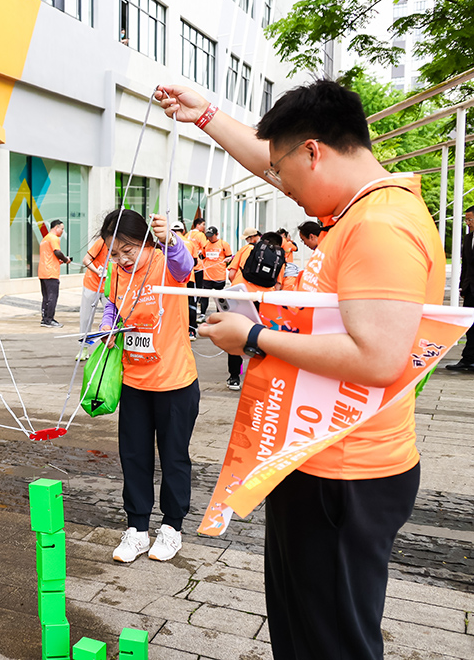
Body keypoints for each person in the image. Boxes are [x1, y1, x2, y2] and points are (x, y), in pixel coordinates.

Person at [157, 79, 444, 660]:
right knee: (302, 626)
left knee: (331, 640)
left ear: (314, 151)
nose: (281, 187)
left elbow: (378, 357)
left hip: (345, 473)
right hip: (318, 453)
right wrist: (207, 116)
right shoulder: (361, 209)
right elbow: (272, 159)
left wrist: (255, 337)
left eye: (285, 175)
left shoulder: (378, 228)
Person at [97, 209, 199, 564]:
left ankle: (172, 528)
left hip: (175, 381)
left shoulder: (166, 263)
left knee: (174, 458)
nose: (121, 259)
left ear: (145, 241)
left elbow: (185, 264)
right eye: (113, 252)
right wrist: (110, 327)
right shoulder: (115, 272)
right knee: (134, 456)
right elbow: (113, 305)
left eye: (128, 250)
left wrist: (170, 239)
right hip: (135, 381)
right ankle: (137, 529)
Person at [225, 232, 286, 391]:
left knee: (234, 335)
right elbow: (278, 286)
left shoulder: (246, 249)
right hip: (263, 299)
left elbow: (231, 273)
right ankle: (259, 377)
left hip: (241, 294)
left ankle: (234, 377)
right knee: (261, 336)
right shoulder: (279, 259)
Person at [445, 206, 474, 371]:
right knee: (470, 326)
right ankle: (468, 359)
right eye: (466, 219)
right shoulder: (469, 238)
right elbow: (466, 266)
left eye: (470, 219)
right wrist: (462, 286)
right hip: (470, 289)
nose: (467, 223)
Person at [78, 234, 110, 359]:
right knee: (86, 318)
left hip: (108, 287)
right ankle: (83, 348)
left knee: (111, 318)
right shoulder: (102, 242)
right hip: (92, 284)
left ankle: (109, 348)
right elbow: (86, 260)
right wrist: (98, 271)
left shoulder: (122, 244)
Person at [39, 219, 73, 327]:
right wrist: (66, 259)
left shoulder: (45, 239)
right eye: (62, 229)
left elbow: (50, 256)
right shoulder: (54, 238)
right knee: (53, 296)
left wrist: (59, 261)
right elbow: (57, 252)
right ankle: (49, 320)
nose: (62, 231)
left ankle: (44, 319)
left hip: (43, 271)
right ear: (56, 227)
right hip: (51, 272)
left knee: (46, 297)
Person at [173, 221, 200, 339]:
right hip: (189, 278)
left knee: (173, 305)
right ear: (184, 231)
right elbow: (195, 261)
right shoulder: (190, 243)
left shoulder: (169, 243)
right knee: (191, 305)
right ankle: (191, 331)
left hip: (173, 280)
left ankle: (175, 331)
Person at [197, 225, 232, 318]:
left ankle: (219, 315)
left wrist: (228, 260)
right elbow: (203, 257)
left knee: (219, 297)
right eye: (208, 236)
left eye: (211, 236)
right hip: (207, 275)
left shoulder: (224, 244)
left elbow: (230, 257)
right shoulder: (206, 245)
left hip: (219, 276)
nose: (209, 238)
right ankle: (202, 314)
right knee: (205, 295)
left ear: (217, 234)